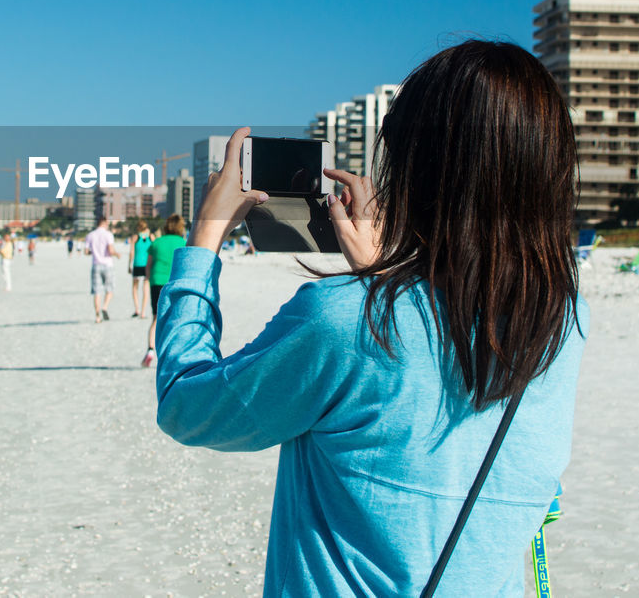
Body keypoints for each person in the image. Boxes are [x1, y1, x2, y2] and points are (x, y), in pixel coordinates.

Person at [155, 42, 588, 596]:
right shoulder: (564, 320)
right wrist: (383, 278)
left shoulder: (342, 320)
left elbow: (188, 407)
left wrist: (206, 238)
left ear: (418, 169)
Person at [141, 215, 185, 366]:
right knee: (174, 319)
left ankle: (150, 350)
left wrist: (149, 279)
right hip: (175, 283)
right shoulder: (184, 243)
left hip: (157, 282)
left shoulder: (157, 242)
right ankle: (171, 356)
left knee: (156, 318)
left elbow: (148, 266)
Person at [84, 218, 118, 322]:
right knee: (110, 289)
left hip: (96, 265)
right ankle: (105, 307)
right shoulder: (108, 235)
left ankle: (97, 317)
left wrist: (94, 253)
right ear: (103, 223)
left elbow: (86, 252)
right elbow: (111, 250)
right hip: (107, 264)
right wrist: (117, 254)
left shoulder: (90, 235)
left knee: (97, 291)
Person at [129, 220, 153, 319]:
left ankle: (137, 309)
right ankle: (143, 312)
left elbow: (131, 252)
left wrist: (129, 265)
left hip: (137, 264)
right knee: (146, 288)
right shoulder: (151, 237)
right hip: (147, 265)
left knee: (135, 288)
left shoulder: (135, 237)